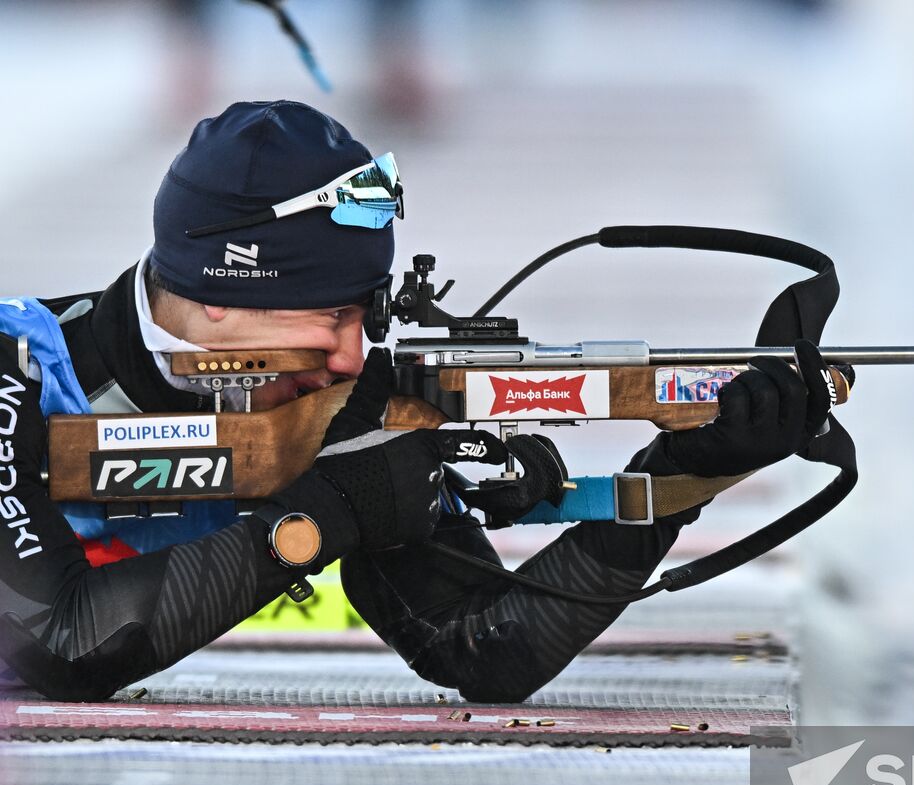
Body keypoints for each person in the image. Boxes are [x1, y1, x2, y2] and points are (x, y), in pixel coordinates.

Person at [0, 100, 835, 703]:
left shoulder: (339, 398)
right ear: (221, 292)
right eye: (330, 315)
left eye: (367, 312)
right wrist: (321, 520)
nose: (355, 353)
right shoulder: (17, 370)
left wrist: (680, 477)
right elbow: (63, 648)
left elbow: (485, 651)